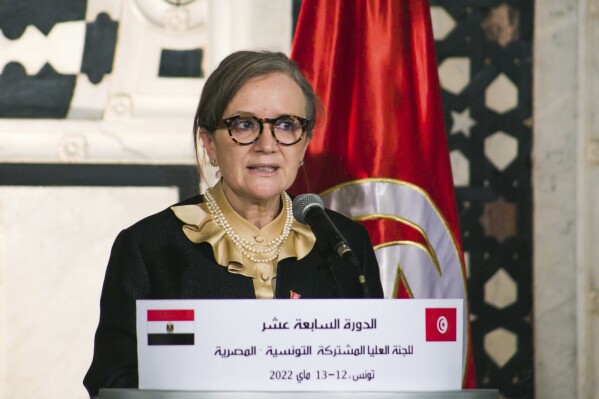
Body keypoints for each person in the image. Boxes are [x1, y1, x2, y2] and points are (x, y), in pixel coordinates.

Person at [83, 50, 383, 397]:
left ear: (304, 144)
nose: (267, 145)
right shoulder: (148, 247)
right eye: (244, 125)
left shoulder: (344, 243)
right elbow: (112, 384)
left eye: (286, 125)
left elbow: (372, 373)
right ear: (208, 143)